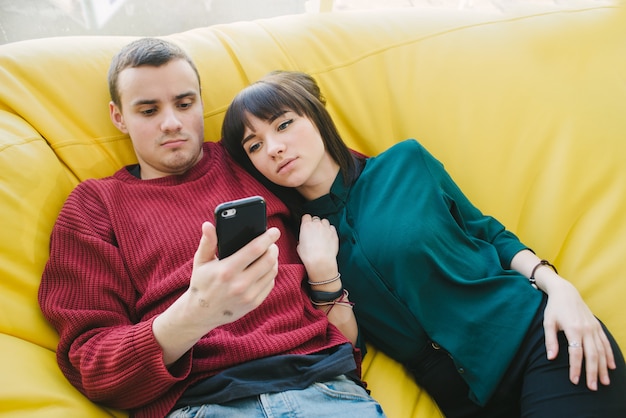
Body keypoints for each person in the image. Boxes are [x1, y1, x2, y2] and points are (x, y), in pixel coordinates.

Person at [221, 70, 626, 417]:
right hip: (461, 398)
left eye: (284, 124)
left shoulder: (407, 163)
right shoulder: (293, 244)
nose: (273, 148)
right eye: (254, 145)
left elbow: (487, 232)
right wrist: (324, 273)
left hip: (540, 343)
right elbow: (347, 349)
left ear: (316, 116)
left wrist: (559, 288)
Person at [37, 39, 386, 418]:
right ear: (118, 116)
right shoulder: (94, 205)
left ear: (201, 101)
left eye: (185, 104)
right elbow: (93, 364)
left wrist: (325, 278)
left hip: (321, 386)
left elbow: (352, 182)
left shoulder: (253, 155)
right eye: (148, 110)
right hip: (202, 404)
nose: (171, 122)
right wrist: (197, 311)